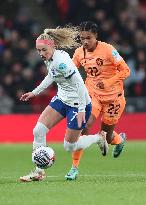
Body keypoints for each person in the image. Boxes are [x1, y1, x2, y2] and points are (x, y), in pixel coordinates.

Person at [19, 25, 108, 182]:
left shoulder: (61, 63)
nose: (41, 53)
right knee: (38, 131)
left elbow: (79, 85)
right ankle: (39, 172)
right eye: (38, 50)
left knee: (69, 146)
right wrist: (34, 92)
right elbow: (51, 76)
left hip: (78, 103)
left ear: (52, 46)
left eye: (43, 50)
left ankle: (99, 138)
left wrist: (81, 109)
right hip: (62, 99)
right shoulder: (51, 58)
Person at [65, 21, 130, 180]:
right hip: (92, 96)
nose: (85, 41)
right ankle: (74, 168)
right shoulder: (79, 52)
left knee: (107, 136)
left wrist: (108, 82)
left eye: (88, 38)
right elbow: (71, 70)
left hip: (114, 98)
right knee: (84, 127)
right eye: (82, 38)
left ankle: (119, 140)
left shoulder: (108, 50)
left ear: (96, 37)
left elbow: (125, 70)